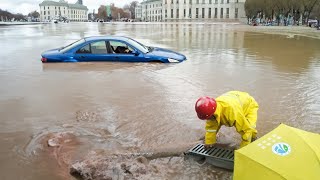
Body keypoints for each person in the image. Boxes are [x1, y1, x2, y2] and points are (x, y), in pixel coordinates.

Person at [195, 91, 259, 149]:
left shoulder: (231, 113)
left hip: (248, 104)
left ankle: (254, 138)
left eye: (209, 117)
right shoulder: (210, 109)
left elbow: (246, 130)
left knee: (250, 127)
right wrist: (209, 142)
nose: (208, 120)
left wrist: (243, 148)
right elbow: (211, 128)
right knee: (213, 122)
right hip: (234, 97)